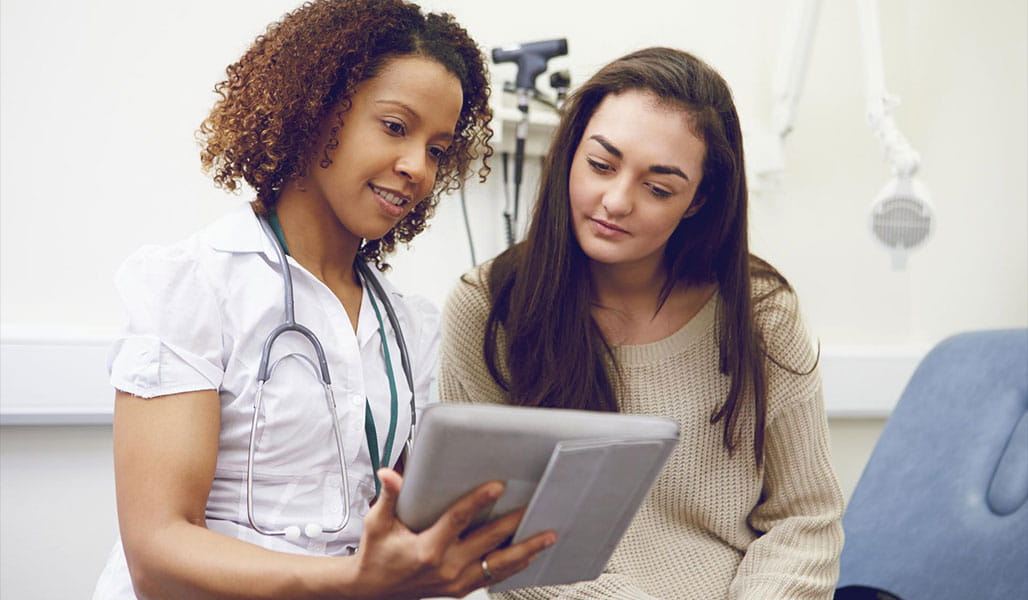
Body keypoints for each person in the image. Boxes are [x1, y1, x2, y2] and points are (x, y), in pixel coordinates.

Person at [93, 1, 555, 598]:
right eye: (395, 127)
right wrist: (355, 580)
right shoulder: (195, 287)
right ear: (314, 112)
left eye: (438, 150)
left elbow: (398, 526)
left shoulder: (407, 328)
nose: (417, 167)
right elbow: (156, 556)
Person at [439, 47, 845, 599]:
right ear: (569, 153)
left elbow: (807, 520)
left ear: (698, 200)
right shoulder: (489, 308)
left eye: (658, 188)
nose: (615, 201)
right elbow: (494, 535)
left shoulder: (760, 313)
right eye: (601, 165)